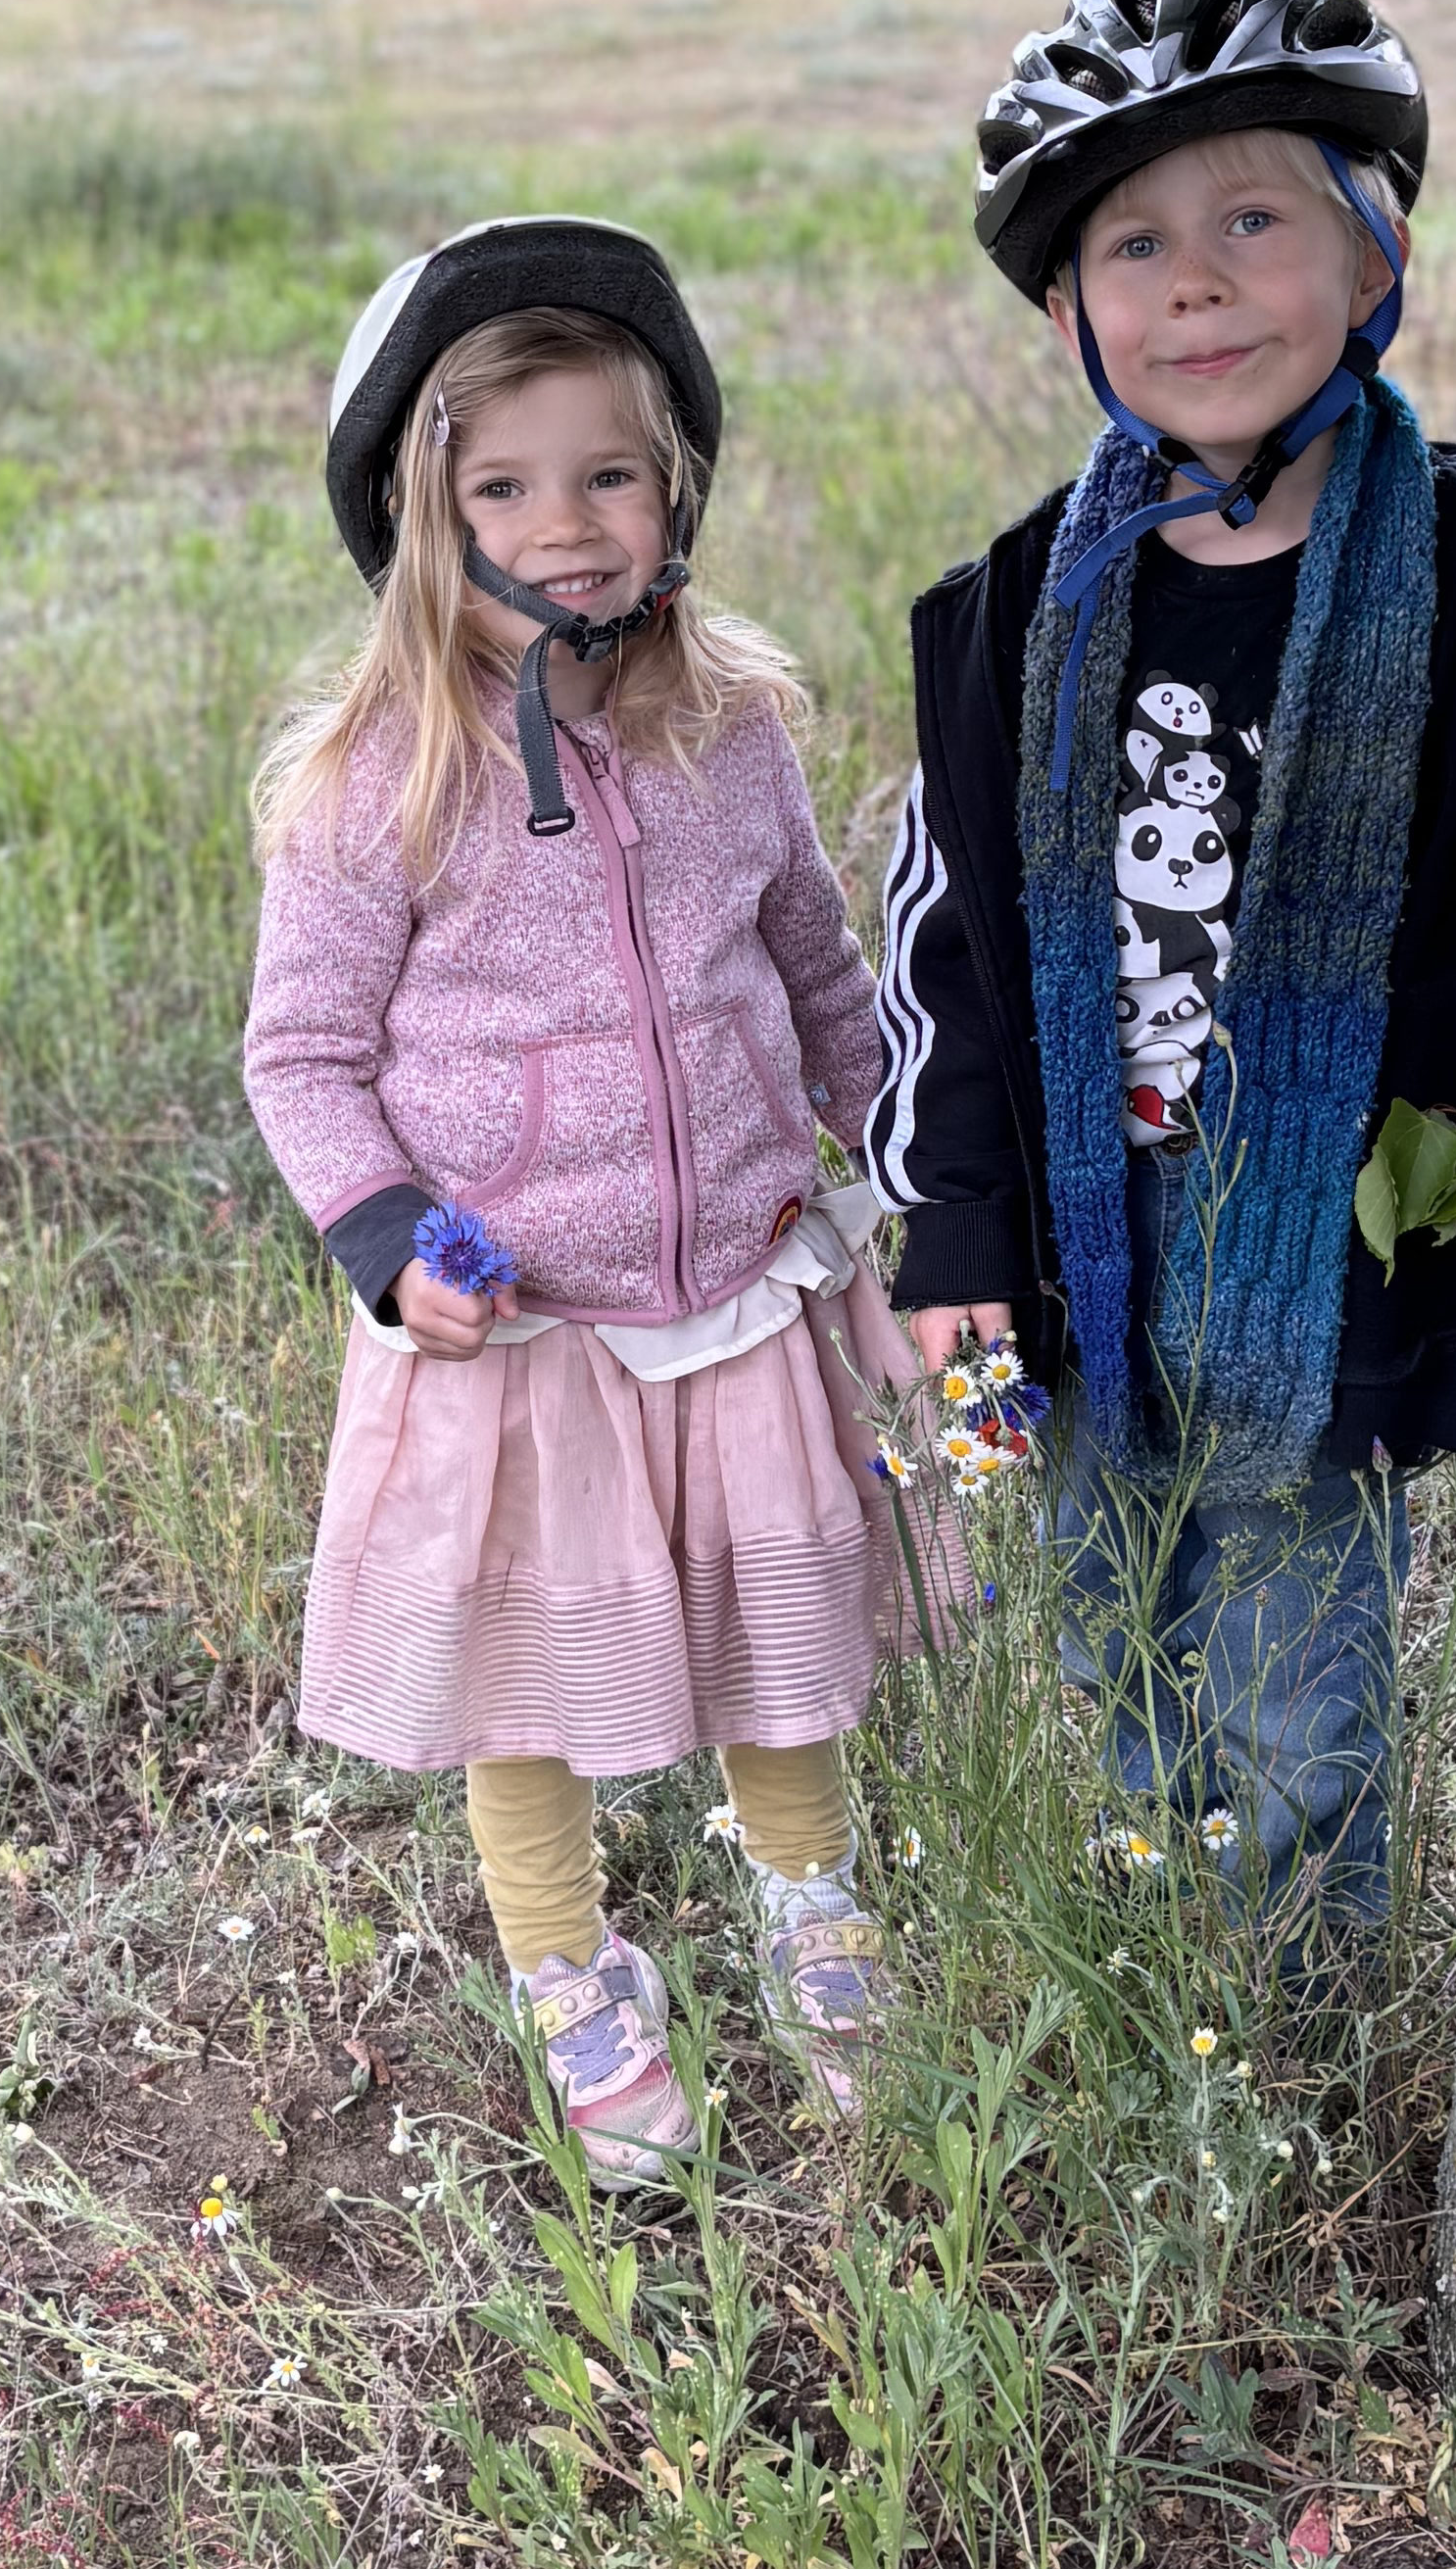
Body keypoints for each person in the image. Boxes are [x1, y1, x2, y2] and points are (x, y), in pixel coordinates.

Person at [873, 0, 1456, 1952]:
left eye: (1255, 221)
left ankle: (1289, 2034)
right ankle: (1142, 1991)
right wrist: (950, 1231)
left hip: (1326, 1246)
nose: (1197, 285)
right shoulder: (1015, 608)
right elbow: (953, 951)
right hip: (1073, 1248)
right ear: (1066, 309)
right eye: (1136, 244)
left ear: (1375, 261)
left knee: (1296, 1684)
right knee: (1100, 1636)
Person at [244, 218, 949, 2186]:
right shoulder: (380, 774)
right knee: (523, 1682)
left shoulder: (731, 728)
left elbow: (815, 967)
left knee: (779, 1641)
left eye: (610, 475)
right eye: (505, 486)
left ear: (677, 492)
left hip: (732, 1280)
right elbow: (302, 1057)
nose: (567, 526)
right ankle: (571, 1975)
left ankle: (819, 1921)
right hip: (516, 1322)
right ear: (425, 512)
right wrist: (389, 1242)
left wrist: (903, 1150)